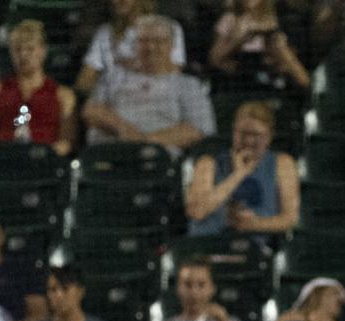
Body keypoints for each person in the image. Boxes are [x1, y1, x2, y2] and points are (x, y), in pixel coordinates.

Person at [82, 15, 215, 154]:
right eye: (143, 41)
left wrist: (145, 140)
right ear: (134, 45)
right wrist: (124, 129)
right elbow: (91, 111)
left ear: (171, 45)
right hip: (111, 152)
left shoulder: (188, 85)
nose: (150, 47)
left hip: (160, 158)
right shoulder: (113, 78)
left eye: (158, 41)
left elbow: (198, 131)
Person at [185, 101, 301, 239]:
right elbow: (197, 211)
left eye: (257, 135)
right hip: (210, 244)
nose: (249, 141)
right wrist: (238, 174)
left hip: (253, 250)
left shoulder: (282, 164)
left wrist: (254, 224)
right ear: (234, 132)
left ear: (269, 136)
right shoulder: (208, 163)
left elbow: (291, 219)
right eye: (243, 133)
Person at [0, 20, 77, 155]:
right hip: (2, 163)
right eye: (17, 49)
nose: (23, 55)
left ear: (43, 51)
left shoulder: (63, 95)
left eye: (30, 48)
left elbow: (67, 141)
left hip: (44, 164)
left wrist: (46, 156)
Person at [75, 0, 188, 97]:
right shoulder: (104, 32)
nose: (115, 1)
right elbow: (85, 80)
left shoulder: (169, 28)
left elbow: (173, 73)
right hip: (113, 102)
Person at [208, 0, 310, 90]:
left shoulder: (283, 21)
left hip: (276, 87)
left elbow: (303, 81)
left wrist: (278, 47)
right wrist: (238, 41)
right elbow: (215, 60)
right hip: (240, 83)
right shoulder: (230, 19)